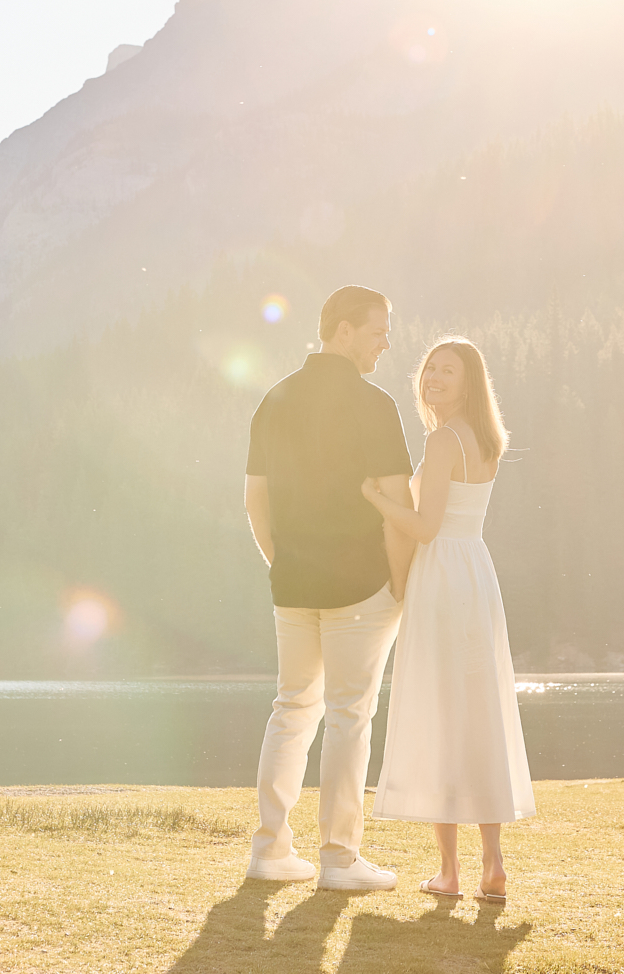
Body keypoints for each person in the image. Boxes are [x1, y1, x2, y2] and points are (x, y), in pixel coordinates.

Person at [241, 284, 415, 891]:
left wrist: (280, 561)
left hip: (291, 584)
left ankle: (270, 849)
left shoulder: (275, 398)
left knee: (291, 709)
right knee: (348, 716)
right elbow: (398, 503)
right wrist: (401, 583)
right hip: (361, 587)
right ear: (343, 330)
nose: (385, 341)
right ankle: (339, 859)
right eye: (377, 329)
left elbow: (254, 501)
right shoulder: (375, 405)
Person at [362, 336, 535, 900]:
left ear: (468, 382)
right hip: (476, 574)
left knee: (441, 712)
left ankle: (450, 873)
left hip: (441, 577)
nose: (433, 377)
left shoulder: (442, 440)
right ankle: (493, 862)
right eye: (430, 368)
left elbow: (425, 526)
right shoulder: (487, 439)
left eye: (447, 371)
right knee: (477, 712)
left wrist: (376, 500)